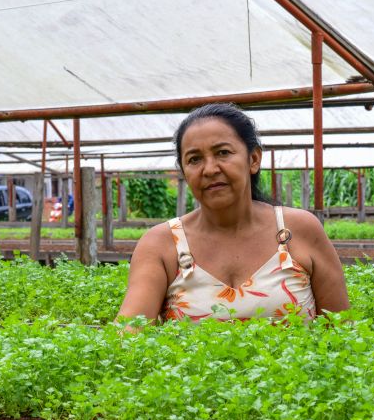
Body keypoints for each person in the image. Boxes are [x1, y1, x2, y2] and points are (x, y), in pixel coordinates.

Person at [117, 103, 348, 323]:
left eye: (223, 153)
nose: (209, 169)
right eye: (194, 159)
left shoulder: (299, 229)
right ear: (184, 171)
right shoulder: (161, 244)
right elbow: (128, 332)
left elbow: (341, 330)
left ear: (254, 159)